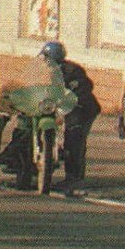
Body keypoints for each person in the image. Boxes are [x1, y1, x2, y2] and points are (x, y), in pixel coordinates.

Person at [39, 41, 99, 184]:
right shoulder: (49, 70)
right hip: (63, 108)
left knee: (74, 139)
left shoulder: (72, 71)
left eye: (46, 57)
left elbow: (84, 87)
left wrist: (72, 98)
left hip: (82, 109)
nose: (44, 60)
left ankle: (73, 176)